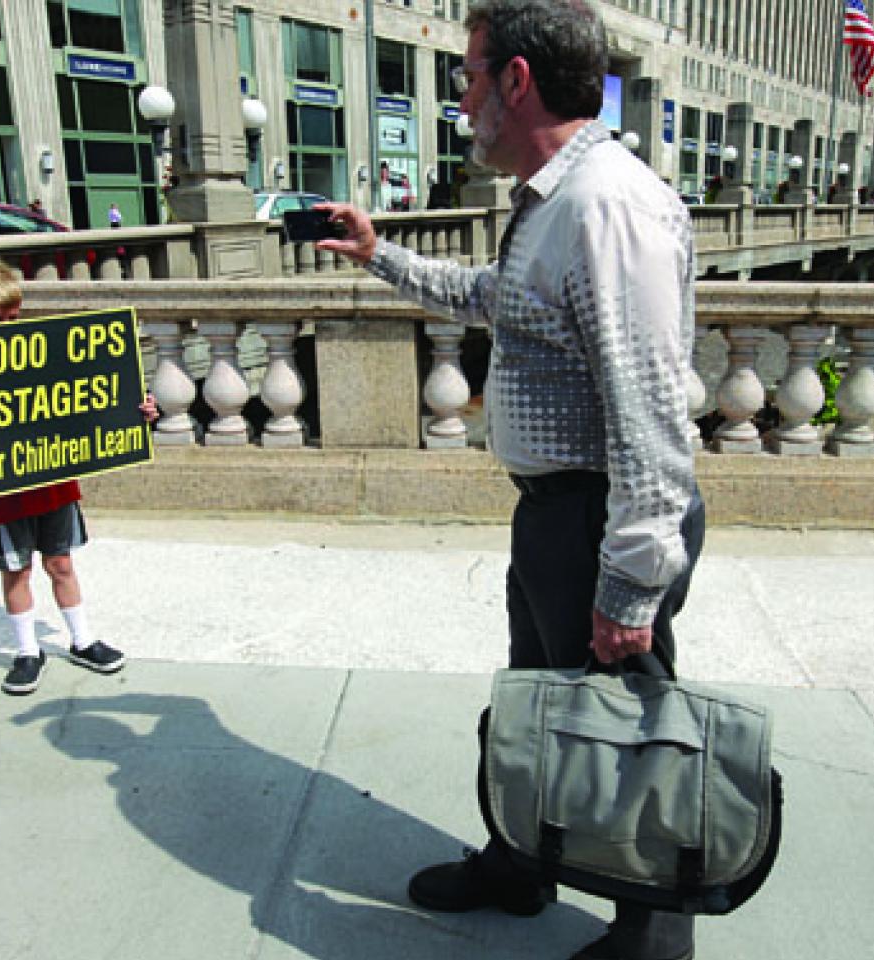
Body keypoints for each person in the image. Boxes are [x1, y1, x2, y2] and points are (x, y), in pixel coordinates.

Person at [317, 2, 705, 959]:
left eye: (469, 75)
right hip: (556, 515)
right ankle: (523, 865)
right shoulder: (553, 198)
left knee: (625, 736)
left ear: (517, 79)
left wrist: (629, 585)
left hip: (599, 516)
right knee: (535, 710)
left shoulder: (606, 205)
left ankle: (654, 937)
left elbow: (650, 410)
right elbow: (497, 300)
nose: (463, 97)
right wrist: (381, 257)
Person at [0, 260, 160, 696]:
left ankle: (82, 639)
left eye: (13, 318)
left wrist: (138, 410)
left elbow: (89, 396)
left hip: (53, 480)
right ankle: (26, 650)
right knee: (16, 570)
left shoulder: (43, 352)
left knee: (61, 563)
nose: (5, 327)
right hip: (0, 492)